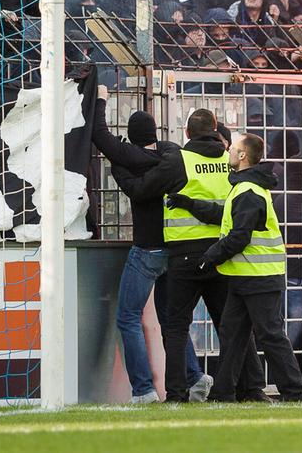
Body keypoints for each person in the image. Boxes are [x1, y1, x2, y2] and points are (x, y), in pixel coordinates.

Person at [129, 109, 267, 403]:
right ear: (216, 131)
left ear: (188, 134)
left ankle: (177, 394)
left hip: (185, 256)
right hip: (221, 253)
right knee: (231, 326)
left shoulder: (179, 160)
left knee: (177, 326)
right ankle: (251, 389)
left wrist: (123, 164)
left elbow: (143, 189)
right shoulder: (229, 161)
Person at [89, 85, 210, 404]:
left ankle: (143, 389)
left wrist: (101, 98)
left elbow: (100, 135)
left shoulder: (130, 157)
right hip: (175, 248)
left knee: (128, 317)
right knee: (172, 319)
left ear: (130, 135)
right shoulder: (171, 153)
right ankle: (195, 378)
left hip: (147, 249)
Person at [167, 133, 302, 402]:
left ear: (243, 156)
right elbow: (225, 217)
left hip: (259, 278)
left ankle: (295, 394)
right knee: (232, 337)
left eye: (233, 149)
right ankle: (222, 394)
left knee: (270, 337)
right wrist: (189, 204)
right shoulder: (245, 188)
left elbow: (239, 236)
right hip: (244, 276)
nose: (228, 151)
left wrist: (210, 256)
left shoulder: (248, 191)